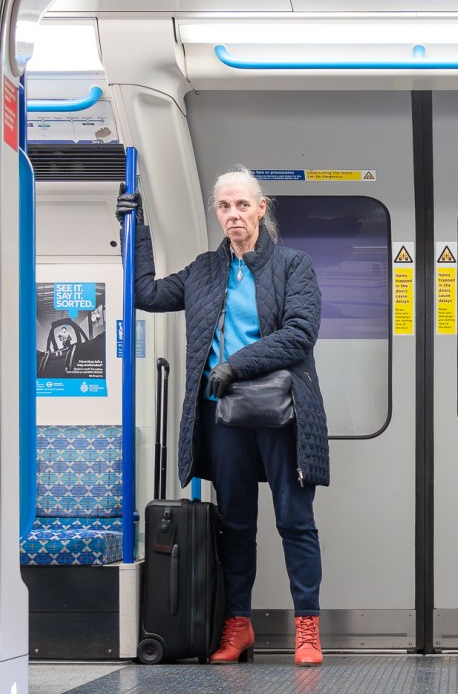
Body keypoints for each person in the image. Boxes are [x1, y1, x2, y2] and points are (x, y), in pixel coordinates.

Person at [116, 166, 329, 667]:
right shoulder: (204, 271)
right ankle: (239, 624)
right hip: (223, 415)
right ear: (217, 212)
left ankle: (307, 627)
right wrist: (134, 230)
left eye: (242, 205)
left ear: (261, 209)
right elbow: (145, 293)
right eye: (225, 206)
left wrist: (235, 364)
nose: (234, 214)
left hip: (284, 413)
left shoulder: (293, 265)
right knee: (235, 525)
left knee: (295, 521)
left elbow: (300, 334)